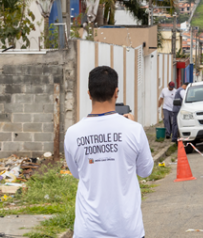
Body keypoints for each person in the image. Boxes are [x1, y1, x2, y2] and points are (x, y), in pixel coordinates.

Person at [64, 66, 154, 238]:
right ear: (116, 92)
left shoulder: (72, 134)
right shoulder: (133, 130)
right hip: (127, 231)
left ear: (89, 94)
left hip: (88, 231)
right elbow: (145, 170)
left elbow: (77, 173)